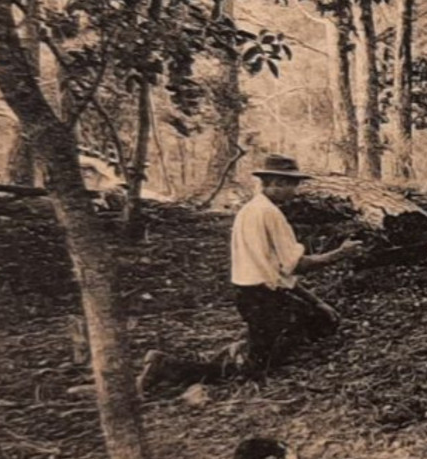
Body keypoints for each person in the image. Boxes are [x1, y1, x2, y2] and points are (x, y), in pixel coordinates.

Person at [139, 154, 361, 395]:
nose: (295, 191)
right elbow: (296, 265)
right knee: (254, 368)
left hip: (253, 295)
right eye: (291, 184)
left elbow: (276, 271)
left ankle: (245, 347)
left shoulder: (249, 210)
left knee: (319, 320)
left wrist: (317, 302)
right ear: (275, 183)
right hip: (264, 300)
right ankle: (168, 366)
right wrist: (340, 254)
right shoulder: (270, 214)